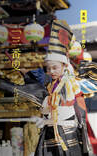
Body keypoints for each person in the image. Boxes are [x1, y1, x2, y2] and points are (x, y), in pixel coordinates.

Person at [33, 20, 94, 156]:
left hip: (66, 130)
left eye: (55, 67)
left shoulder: (70, 83)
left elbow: (69, 107)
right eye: (48, 68)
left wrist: (47, 118)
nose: (51, 71)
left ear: (64, 66)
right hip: (50, 129)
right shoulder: (50, 85)